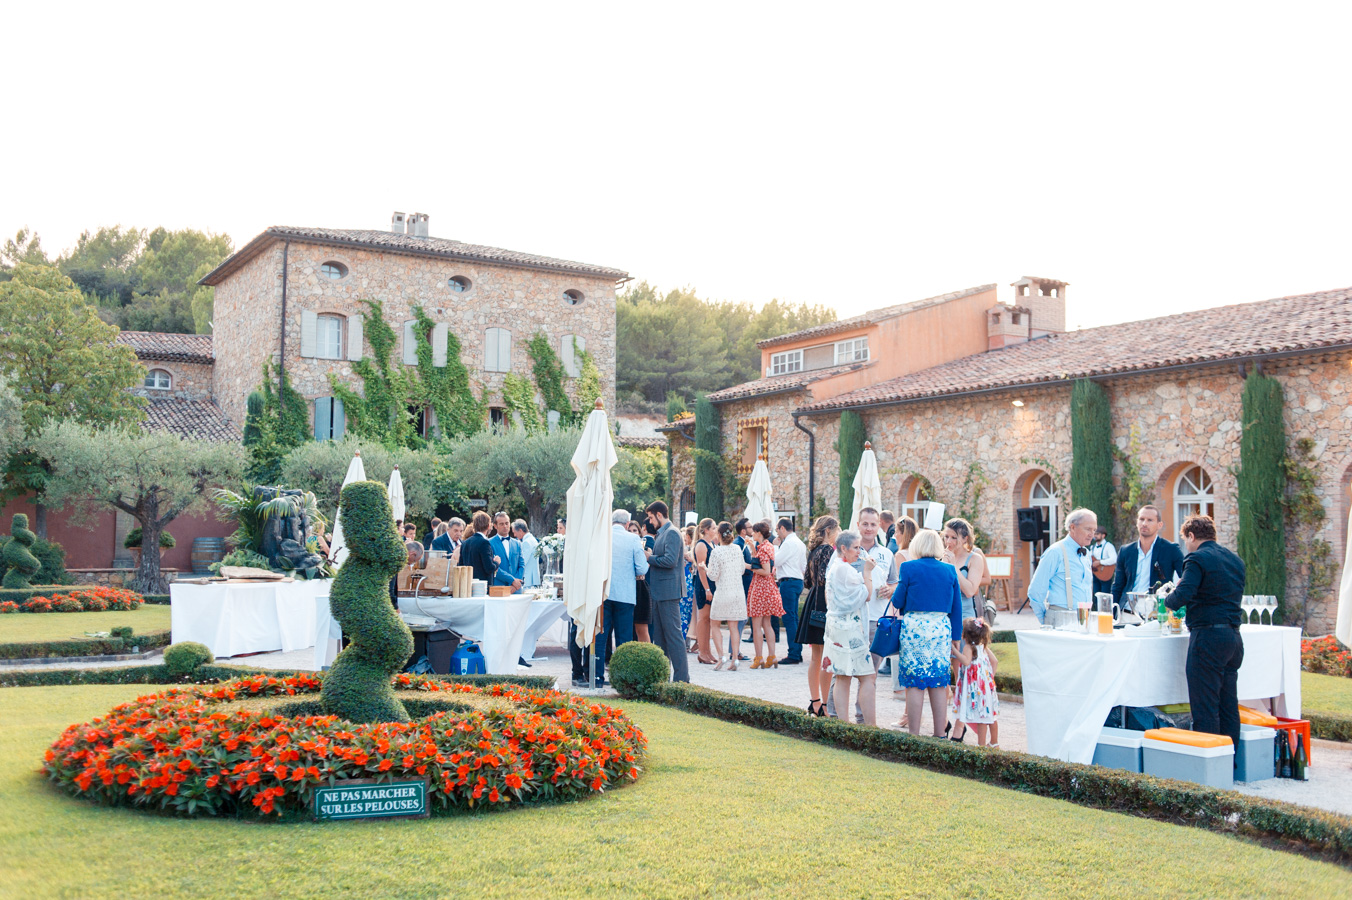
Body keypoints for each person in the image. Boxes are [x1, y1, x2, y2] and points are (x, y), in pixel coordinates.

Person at [1165, 515, 1246, 750]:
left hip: (1208, 638)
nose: (1186, 546)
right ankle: (1230, 760)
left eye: (1185, 540)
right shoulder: (1235, 559)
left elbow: (1182, 597)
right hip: (1233, 638)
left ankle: (1209, 764)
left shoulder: (1196, 558)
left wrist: (1167, 598)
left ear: (1191, 536)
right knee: (1228, 704)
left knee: (1205, 705)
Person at [892, 529, 963, 737]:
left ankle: (914, 734)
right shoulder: (949, 570)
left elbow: (897, 601)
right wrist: (956, 637)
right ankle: (939, 734)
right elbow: (956, 606)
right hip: (940, 628)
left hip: (914, 628)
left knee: (915, 682)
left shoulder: (908, 567)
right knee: (938, 681)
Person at [823, 530, 877, 726]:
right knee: (867, 676)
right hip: (850, 629)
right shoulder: (845, 570)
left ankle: (843, 725)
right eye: (855, 547)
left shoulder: (836, 567)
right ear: (843, 548)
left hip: (836, 627)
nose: (859, 551)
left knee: (842, 676)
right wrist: (868, 572)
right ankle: (871, 726)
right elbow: (866, 594)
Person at [600, 510, 649, 683]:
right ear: (627, 524)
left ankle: (598, 676)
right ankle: (621, 678)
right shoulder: (633, 539)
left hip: (603, 593)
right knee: (624, 638)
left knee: (602, 635)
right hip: (625, 594)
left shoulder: (602, 537)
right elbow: (642, 568)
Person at [796, 516, 839, 716]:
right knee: (825, 657)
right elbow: (824, 578)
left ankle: (815, 700)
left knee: (815, 657)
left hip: (812, 599)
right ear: (829, 531)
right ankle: (823, 706)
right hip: (822, 601)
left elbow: (807, 581)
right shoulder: (828, 550)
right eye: (837, 530)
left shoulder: (813, 550)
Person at [643, 500, 690, 683]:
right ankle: (662, 680)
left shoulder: (671, 533)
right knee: (660, 639)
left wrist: (650, 557)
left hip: (669, 592)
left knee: (674, 638)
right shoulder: (663, 533)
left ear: (659, 515)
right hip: (660, 592)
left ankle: (681, 681)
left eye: (651, 517)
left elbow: (670, 561)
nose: (650, 521)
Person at [1026, 508, 1097, 624]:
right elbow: (1035, 591)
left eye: (1094, 530)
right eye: (1088, 529)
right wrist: (1046, 620)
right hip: (1060, 617)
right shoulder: (1055, 552)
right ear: (1072, 527)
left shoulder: (1087, 554)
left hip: (1085, 618)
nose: (1092, 534)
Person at [1112, 505, 1185, 605]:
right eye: (1141, 519)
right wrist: (1112, 613)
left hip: (1156, 611)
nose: (1144, 523)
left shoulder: (1171, 550)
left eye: (1150, 520)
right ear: (1137, 522)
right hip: (1127, 610)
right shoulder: (1126, 551)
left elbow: (1186, 579)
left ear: (1159, 525)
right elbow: (1118, 586)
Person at [853, 508, 895, 678]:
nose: (868, 528)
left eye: (872, 524)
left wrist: (891, 589)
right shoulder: (849, 551)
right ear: (858, 525)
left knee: (872, 674)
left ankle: (863, 705)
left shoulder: (887, 553)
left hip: (877, 618)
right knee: (845, 672)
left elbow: (894, 582)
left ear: (879, 526)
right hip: (853, 618)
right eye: (865, 524)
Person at [705, 521, 750, 670]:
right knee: (734, 627)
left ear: (719, 535)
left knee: (715, 624)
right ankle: (735, 659)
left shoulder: (716, 551)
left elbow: (713, 576)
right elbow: (743, 570)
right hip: (737, 592)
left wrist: (704, 568)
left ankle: (721, 657)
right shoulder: (737, 549)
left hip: (723, 592)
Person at [951, 618, 999, 747]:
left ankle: (981, 745)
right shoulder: (983, 647)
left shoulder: (968, 647)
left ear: (964, 635)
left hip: (974, 688)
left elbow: (966, 661)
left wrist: (954, 651)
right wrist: (989, 679)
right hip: (986, 687)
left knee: (980, 717)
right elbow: (994, 661)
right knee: (990, 715)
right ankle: (994, 743)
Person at [746, 521, 784, 668]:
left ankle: (759, 658)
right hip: (768, 588)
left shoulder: (763, 549)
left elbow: (765, 570)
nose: (752, 534)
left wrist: (747, 567)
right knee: (767, 623)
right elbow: (762, 563)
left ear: (759, 533)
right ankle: (772, 656)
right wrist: (752, 548)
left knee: (756, 625)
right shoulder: (766, 546)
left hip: (760, 588)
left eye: (754, 532)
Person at [774, 517, 807, 665]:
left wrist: (775, 546)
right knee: (793, 618)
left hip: (788, 581)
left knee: (788, 618)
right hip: (797, 580)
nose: (777, 534)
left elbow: (776, 560)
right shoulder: (799, 542)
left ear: (782, 528)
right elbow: (803, 565)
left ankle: (793, 653)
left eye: (777, 530)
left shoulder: (787, 543)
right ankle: (796, 651)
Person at [942, 517, 985, 623]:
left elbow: (970, 591)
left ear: (965, 538)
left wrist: (953, 566)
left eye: (954, 538)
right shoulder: (939, 557)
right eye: (946, 537)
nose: (948, 541)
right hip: (942, 616)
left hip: (964, 618)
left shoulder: (974, 558)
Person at [692, 518, 719, 665]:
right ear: (706, 530)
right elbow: (701, 570)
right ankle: (702, 652)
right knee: (703, 618)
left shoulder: (711, 544)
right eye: (714, 528)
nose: (715, 531)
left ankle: (707, 650)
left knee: (709, 619)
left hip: (711, 584)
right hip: (704, 585)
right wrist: (707, 588)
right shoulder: (701, 545)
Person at [633, 518, 656, 642]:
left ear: (643, 528)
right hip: (653, 586)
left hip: (643, 586)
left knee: (644, 626)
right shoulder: (657, 542)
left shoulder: (643, 544)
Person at [489, 512, 524, 592]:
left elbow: (521, 565)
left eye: (507, 523)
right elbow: (493, 567)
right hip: (499, 588)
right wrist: (512, 580)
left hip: (516, 589)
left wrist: (516, 584)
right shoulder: (489, 543)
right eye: (501, 524)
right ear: (495, 526)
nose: (505, 526)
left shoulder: (517, 543)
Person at [459, 511, 497, 584]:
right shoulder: (484, 543)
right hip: (482, 586)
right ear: (488, 526)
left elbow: (461, 566)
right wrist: (496, 562)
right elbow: (489, 568)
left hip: (467, 584)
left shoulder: (465, 543)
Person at [1088, 525, 1117, 595]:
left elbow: (1114, 559)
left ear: (1103, 535)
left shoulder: (1108, 546)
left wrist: (1100, 562)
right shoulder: (1093, 547)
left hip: (1106, 574)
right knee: (1096, 596)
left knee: (1105, 596)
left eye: (1097, 534)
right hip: (1095, 573)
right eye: (1094, 534)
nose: (1095, 536)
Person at [680, 524, 696, 643]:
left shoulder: (692, 551)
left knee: (686, 613)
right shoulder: (688, 550)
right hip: (688, 582)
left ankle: (686, 640)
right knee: (686, 613)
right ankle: (685, 640)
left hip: (688, 583)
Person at [514, 520, 540, 589]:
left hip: (528, 579)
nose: (514, 535)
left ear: (520, 530)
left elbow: (523, 562)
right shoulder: (532, 539)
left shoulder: (526, 542)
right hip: (532, 579)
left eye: (515, 532)